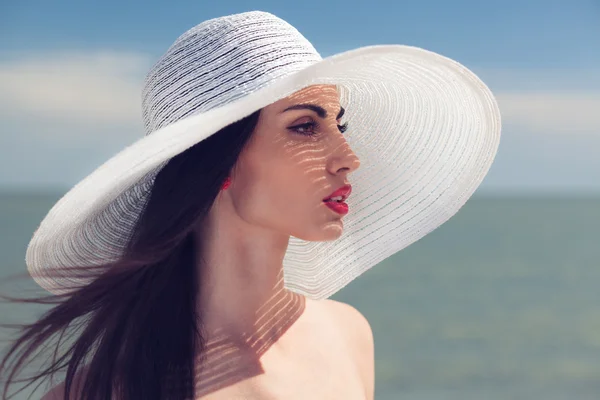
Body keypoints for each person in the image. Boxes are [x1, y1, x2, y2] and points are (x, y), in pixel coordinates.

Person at [0, 10, 501, 400]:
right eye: (305, 126)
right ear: (217, 161)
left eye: (338, 125)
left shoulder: (348, 334)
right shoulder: (101, 391)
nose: (348, 158)